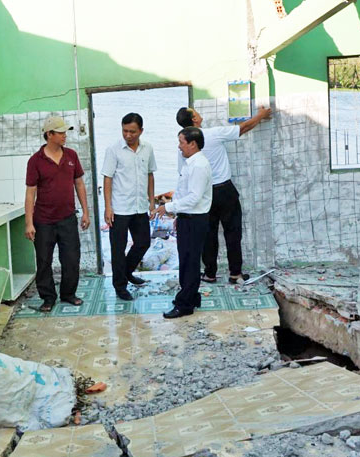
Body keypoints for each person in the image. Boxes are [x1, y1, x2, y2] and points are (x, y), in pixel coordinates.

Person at [175, 104, 272, 284]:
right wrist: (261, 115)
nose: (199, 113)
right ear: (194, 119)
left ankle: (210, 274)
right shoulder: (212, 134)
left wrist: (179, 205)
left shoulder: (184, 148)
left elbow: (183, 177)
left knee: (208, 235)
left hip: (204, 195)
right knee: (233, 232)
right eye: (196, 112)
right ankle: (235, 273)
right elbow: (243, 128)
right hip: (225, 191)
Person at [24, 115, 92, 312]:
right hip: (43, 220)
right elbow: (30, 193)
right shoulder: (35, 161)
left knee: (71, 258)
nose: (64, 136)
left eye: (65, 132)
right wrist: (29, 223)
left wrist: (86, 212)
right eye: (60, 133)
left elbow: (79, 184)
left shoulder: (71, 156)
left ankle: (68, 294)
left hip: (67, 218)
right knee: (44, 260)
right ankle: (47, 297)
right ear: (49, 134)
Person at [153, 127, 212, 318]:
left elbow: (194, 198)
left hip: (195, 220)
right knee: (188, 260)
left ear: (193, 144)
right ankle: (192, 297)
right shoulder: (191, 163)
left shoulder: (199, 165)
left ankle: (184, 304)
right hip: (188, 218)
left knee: (189, 262)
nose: (179, 147)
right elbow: (185, 193)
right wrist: (179, 216)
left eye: (181, 142)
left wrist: (168, 208)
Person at [101, 112, 156, 300]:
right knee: (118, 248)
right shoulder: (113, 149)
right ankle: (120, 286)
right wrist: (108, 207)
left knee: (143, 243)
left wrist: (151, 202)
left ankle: (126, 272)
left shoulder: (148, 148)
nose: (128, 135)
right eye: (125, 131)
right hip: (120, 208)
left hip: (140, 206)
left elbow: (150, 175)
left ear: (141, 130)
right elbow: (107, 178)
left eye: (132, 131)